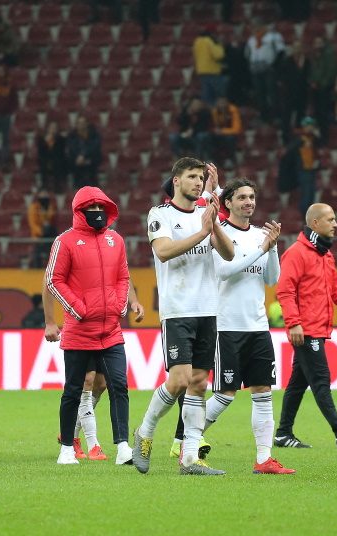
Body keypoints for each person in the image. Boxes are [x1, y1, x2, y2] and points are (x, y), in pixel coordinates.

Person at [132, 158, 234, 475]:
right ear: (176, 180)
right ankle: (145, 431)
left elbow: (229, 254)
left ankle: (189, 458)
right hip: (178, 310)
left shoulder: (206, 214)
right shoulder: (160, 214)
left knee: (199, 384)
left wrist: (213, 224)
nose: (198, 182)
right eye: (191, 176)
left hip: (208, 309)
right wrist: (203, 231)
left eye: (201, 177)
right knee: (179, 380)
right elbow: (163, 251)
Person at [198, 178, 295, 474]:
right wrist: (261, 249)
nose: (249, 202)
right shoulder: (219, 232)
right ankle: (187, 440)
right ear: (227, 202)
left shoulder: (258, 235)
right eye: (242, 197)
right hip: (227, 327)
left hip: (258, 327)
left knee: (263, 391)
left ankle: (264, 459)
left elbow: (271, 280)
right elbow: (224, 271)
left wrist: (272, 249)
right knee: (225, 394)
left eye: (251, 197)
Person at [274, 203, 337, 449]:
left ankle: (283, 434)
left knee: (298, 383)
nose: (336, 224)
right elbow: (285, 292)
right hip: (306, 330)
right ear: (315, 223)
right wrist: (294, 324)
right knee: (321, 380)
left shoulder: (324, 254)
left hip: (315, 329)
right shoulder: (297, 253)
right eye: (331, 219)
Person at [45, 186, 133, 466]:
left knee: (119, 387)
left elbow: (123, 277)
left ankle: (123, 448)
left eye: (100, 208)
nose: (97, 212)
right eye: (91, 208)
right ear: (79, 211)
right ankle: (66, 450)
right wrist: (78, 310)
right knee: (73, 390)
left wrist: (120, 306)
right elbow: (53, 279)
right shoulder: (65, 241)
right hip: (79, 332)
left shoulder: (116, 240)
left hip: (111, 331)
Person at [55, 280, 145, 459]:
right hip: (84, 326)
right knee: (86, 380)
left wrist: (133, 300)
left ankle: (72, 434)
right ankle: (93, 445)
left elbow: (123, 276)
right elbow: (54, 280)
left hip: (106, 329)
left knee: (100, 384)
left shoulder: (113, 260)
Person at [279, 117, 321, 218]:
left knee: (311, 195)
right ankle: (304, 217)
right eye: (310, 126)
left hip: (311, 169)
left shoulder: (310, 138)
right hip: (303, 170)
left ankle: (309, 216)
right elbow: (289, 151)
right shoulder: (300, 138)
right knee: (306, 195)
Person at [245, 22, 285, 125]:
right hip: (255, 70)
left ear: (263, 26)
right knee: (260, 94)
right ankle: (263, 116)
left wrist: (274, 67)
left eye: (257, 26)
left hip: (269, 69)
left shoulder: (273, 37)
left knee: (272, 93)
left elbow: (281, 52)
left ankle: (277, 116)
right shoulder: (252, 39)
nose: (255, 28)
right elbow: (247, 53)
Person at [306, 35, 337, 142]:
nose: (317, 44)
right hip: (315, 88)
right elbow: (312, 70)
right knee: (317, 113)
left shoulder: (329, 54)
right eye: (316, 42)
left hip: (324, 89)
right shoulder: (314, 55)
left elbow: (331, 70)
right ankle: (318, 137)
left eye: (319, 42)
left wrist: (324, 84)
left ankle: (324, 137)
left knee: (323, 113)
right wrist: (311, 82)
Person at [277, 41, 309, 140]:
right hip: (289, 93)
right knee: (286, 117)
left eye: (299, 47)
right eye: (295, 47)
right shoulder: (287, 61)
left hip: (302, 93)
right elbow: (282, 76)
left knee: (300, 117)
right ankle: (285, 138)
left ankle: (299, 139)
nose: (297, 49)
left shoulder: (306, 62)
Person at [193, 22, 226, 107]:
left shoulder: (197, 41)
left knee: (207, 97)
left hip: (202, 72)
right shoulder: (208, 41)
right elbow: (218, 55)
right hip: (212, 71)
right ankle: (217, 113)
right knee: (219, 96)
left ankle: (208, 112)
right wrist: (220, 44)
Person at [67, 115, 103, 189]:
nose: (81, 125)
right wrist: (79, 157)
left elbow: (95, 147)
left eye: (83, 123)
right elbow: (72, 148)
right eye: (79, 123)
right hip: (77, 165)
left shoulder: (94, 134)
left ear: (86, 124)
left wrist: (84, 156)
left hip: (92, 163)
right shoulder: (72, 136)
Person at [28, 188, 57, 269]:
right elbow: (32, 224)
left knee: (51, 257)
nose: (44, 195)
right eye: (42, 193)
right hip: (38, 237)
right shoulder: (33, 207)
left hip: (50, 235)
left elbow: (53, 220)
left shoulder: (51, 207)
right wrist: (42, 232)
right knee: (38, 258)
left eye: (46, 193)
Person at [37, 121, 68, 193]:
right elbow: (41, 152)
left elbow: (60, 153)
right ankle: (44, 186)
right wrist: (46, 143)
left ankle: (58, 186)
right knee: (43, 162)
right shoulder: (41, 139)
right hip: (45, 161)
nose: (53, 130)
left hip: (57, 161)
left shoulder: (61, 140)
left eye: (55, 128)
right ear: (48, 128)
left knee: (59, 163)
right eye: (51, 127)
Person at [209, 97, 241, 168]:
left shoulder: (233, 110)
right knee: (209, 137)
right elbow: (214, 125)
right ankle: (212, 159)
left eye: (222, 103)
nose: (221, 105)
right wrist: (216, 130)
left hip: (231, 135)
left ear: (227, 103)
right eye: (219, 103)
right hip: (218, 135)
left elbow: (236, 130)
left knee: (229, 138)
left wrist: (223, 131)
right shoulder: (215, 111)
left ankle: (229, 159)